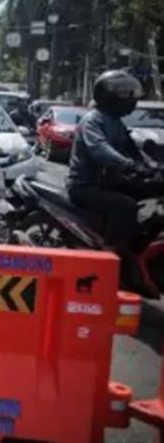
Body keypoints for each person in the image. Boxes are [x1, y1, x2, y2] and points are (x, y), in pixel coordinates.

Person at [67, 69, 153, 296]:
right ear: (108, 95)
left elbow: (133, 149)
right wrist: (128, 165)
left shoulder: (116, 122)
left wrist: (150, 166)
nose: (131, 99)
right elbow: (99, 150)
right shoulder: (92, 120)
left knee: (151, 192)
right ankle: (111, 258)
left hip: (109, 181)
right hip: (85, 186)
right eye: (126, 94)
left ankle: (138, 246)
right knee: (124, 206)